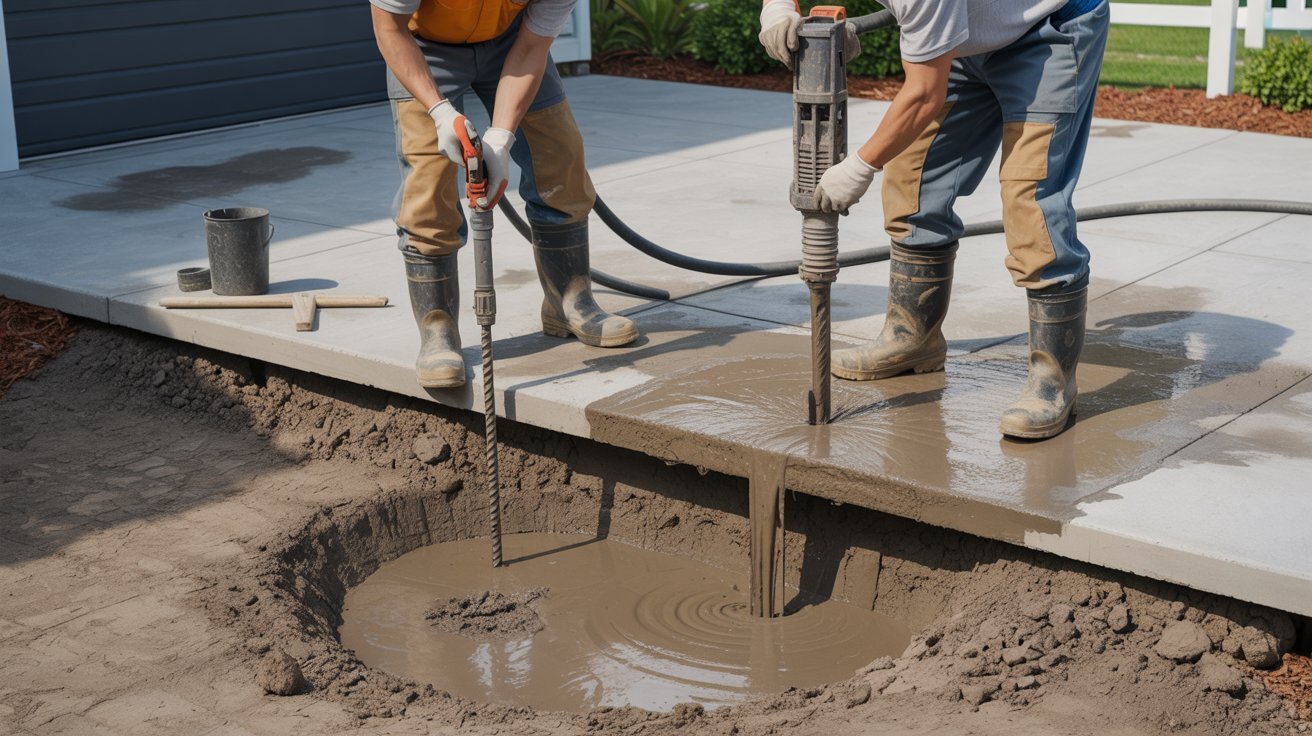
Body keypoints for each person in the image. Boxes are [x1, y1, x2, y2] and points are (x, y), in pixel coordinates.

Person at [759, 0, 1109, 439]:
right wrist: (776, 8)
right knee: (912, 177)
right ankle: (913, 338)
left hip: (1046, 30)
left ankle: (1053, 381)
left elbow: (925, 92)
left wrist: (861, 165)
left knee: (1030, 197)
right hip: (965, 39)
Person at [371, 0, 638, 389]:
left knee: (558, 153)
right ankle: (437, 329)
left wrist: (500, 137)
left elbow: (531, 47)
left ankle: (569, 301)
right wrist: (441, 113)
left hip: (512, 41)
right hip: (422, 46)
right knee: (428, 179)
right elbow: (389, 29)